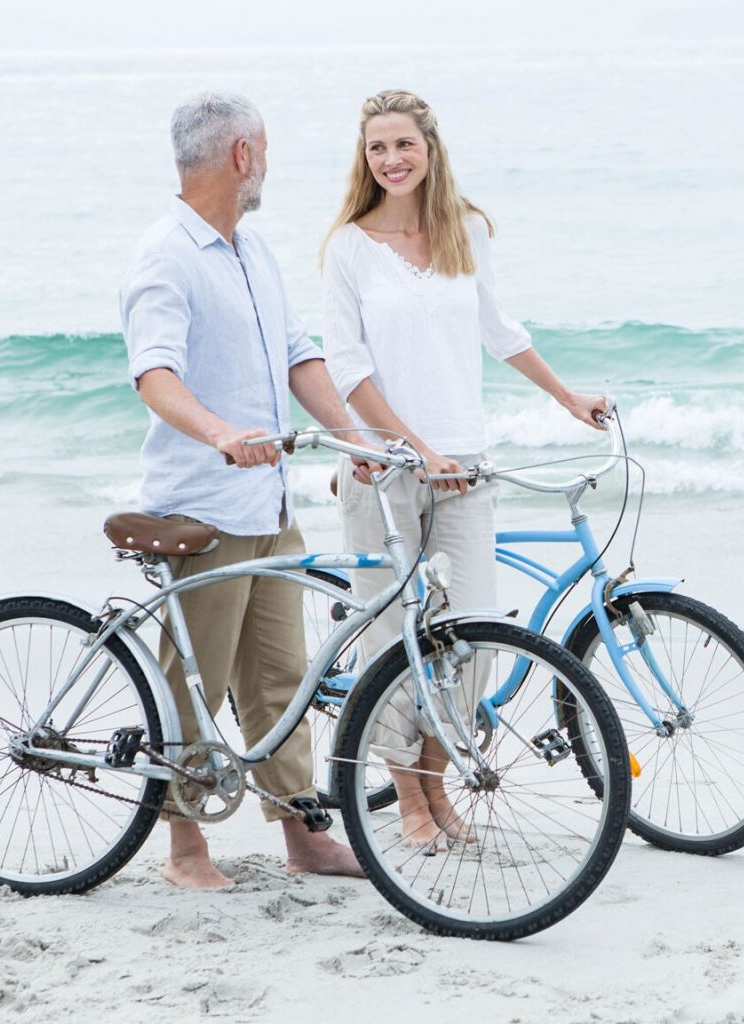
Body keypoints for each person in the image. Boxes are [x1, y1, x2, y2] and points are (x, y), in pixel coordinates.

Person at [321, 88, 607, 852]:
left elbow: (497, 329)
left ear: (430, 148)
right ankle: (410, 801)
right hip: (383, 465)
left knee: (469, 636)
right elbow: (346, 369)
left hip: (463, 461)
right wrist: (414, 448)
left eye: (403, 145)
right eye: (377, 148)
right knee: (393, 638)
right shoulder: (348, 246)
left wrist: (566, 395)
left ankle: (439, 784)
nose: (391, 160)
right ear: (365, 156)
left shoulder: (465, 230)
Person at [119, 91, 371, 889]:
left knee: (280, 677)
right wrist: (221, 433)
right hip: (201, 506)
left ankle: (301, 832)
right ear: (240, 156)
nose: (269, 162)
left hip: (268, 505)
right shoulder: (166, 254)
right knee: (192, 679)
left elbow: (298, 355)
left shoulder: (251, 250)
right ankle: (185, 851)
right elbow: (153, 374)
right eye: (265, 147)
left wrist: (356, 436)